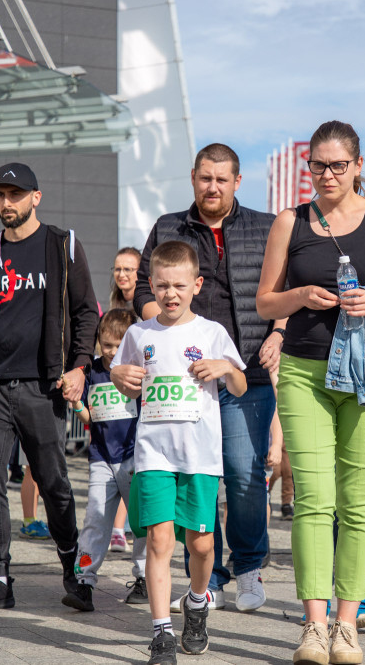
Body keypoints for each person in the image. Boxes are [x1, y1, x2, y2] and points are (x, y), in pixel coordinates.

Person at [256, 120, 365, 664]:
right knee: (312, 500)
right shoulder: (291, 222)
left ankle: (347, 626)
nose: (326, 175)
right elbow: (263, 303)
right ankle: (313, 626)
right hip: (305, 372)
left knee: (357, 505)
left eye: (337, 165)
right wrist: (300, 295)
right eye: (317, 166)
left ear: (358, 166)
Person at [128, 143, 281, 613]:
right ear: (193, 177)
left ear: (237, 181)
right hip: (185, 382)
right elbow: (140, 288)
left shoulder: (267, 226)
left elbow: (285, 285)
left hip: (244, 372)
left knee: (243, 475)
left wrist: (279, 331)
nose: (212, 187)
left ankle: (250, 564)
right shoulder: (169, 226)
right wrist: (168, 333)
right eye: (204, 178)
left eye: (222, 179)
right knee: (196, 475)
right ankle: (207, 577)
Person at [0, 162, 99, 612]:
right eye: (0, 194)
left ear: (35, 197)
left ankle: (71, 570)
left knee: (55, 483)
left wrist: (79, 367)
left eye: (16, 194)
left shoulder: (63, 246)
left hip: (43, 386)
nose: (7, 203)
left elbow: (85, 314)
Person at [110, 241, 247, 663]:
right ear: (152, 285)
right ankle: (161, 632)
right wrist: (118, 374)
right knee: (158, 539)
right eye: (163, 285)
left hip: (199, 456)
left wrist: (227, 368)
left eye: (180, 286)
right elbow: (121, 375)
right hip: (154, 454)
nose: (171, 294)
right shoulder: (139, 333)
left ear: (197, 285)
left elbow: (240, 386)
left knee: (202, 545)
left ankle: (198, 601)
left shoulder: (211, 333)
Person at [62, 308, 148, 611]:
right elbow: (90, 417)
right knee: (96, 521)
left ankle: (144, 578)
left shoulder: (139, 370)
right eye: (106, 344)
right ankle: (84, 580)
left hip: (132, 460)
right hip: (100, 458)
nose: (111, 352)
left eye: (118, 345)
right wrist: (76, 405)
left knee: (140, 523)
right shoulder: (94, 371)